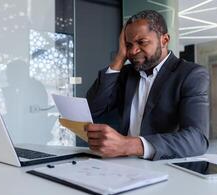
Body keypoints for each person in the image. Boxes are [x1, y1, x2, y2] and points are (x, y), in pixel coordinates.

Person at [86, 10, 209, 160]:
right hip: (124, 165)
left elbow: (197, 140)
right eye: (128, 44)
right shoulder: (126, 73)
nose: (133, 51)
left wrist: (129, 145)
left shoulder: (190, 74)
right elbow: (93, 109)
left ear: (164, 40)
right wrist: (119, 58)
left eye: (142, 42)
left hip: (165, 167)